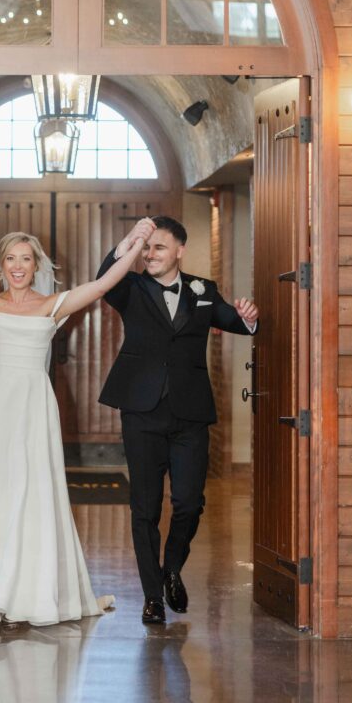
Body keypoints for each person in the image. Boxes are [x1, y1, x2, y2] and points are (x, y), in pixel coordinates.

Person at [0, 187, 155, 626]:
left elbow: (102, 284)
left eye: (25, 259)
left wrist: (134, 245)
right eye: (10, 259)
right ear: (2, 266)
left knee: (26, 492)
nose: (18, 267)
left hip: (33, 411)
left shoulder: (52, 307)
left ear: (35, 265)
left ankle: (8, 593)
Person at [97, 216, 258, 626]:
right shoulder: (129, 286)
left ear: (179, 251)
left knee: (189, 502)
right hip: (141, 409)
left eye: (159, 248)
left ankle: (171, 569)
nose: (150, 255)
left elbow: (234, 321)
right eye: (147, 249)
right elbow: (104, 277)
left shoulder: (203, 290)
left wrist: (248, 315)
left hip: (190, 414)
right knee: (144, 507)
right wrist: (129, 240)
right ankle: (153, 595)